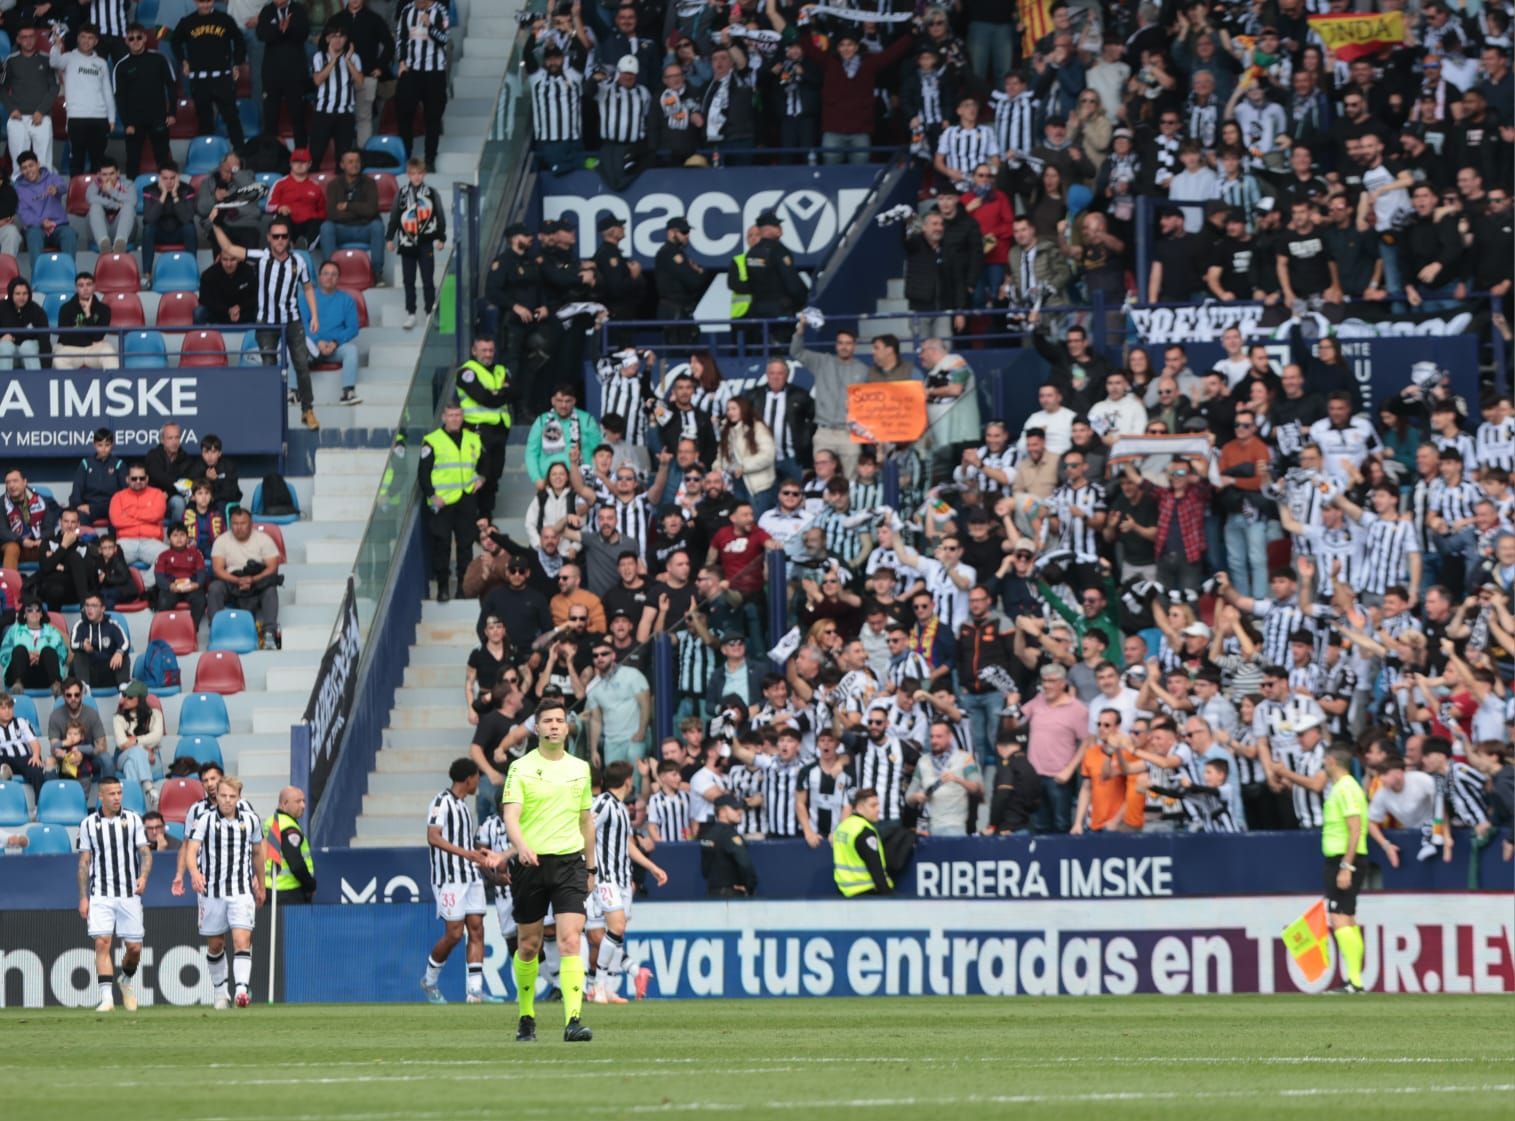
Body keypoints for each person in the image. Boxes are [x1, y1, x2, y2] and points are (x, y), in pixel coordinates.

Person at [500, 698, 596, 1043]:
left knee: (571, 939)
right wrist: (521, 845)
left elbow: (587, 820)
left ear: (567, 727)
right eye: (548, 721)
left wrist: (592, 866)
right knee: (529, 945)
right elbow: (511, 814)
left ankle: (573, 1019)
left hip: (570, 862)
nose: (554, 725)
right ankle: (526, 1015)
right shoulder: (521, 768)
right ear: (537, 728)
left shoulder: (580, 769)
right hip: (532, 864)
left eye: (560, 720)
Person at [211, 216, 321, 431]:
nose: (280, 240)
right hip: (267, 323)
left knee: (301, 366)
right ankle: (272, 412)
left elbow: (308, 287)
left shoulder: (299, 261)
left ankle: (307, 410)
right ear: (269, 238)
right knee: (270, 369)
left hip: (292, 320)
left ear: (289, 238)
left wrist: (314, 316)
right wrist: (216, 224)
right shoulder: (261, 257)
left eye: (284, 236)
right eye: (276, 236)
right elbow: (229, 249)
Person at [587, 761, 667, 1004]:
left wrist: (651, 867)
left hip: (622, 879)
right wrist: (588, 867)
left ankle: (607, 987)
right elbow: (586, 831)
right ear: (628, 781)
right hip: (605, 878)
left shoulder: (620, 808)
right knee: (615, 928)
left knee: (617, 935)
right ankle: (598, 985)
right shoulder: (602, 803)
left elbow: (627, 846)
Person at [183, 774, 265, 1007]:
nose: (228, 800)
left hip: (241, 891)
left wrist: (261, 882)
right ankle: (221, 992)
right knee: (216, 944)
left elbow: (258, 852)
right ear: (216, 796)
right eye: (223, 796)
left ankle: (241, 990)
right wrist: (195, 873)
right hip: (212, 892)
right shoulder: (205, 820)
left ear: (239, 797)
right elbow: (191, 849)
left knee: (242, 939)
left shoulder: (250, 820)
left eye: (232, 796)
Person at [77, 776, 150, 1013]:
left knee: (135, 948)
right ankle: (107, 999)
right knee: (102, 943)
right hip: (101, 893)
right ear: (101, 796)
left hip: (129, 893)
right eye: (112, 794)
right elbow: (84, 862)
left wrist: (144, 876)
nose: (117, 797)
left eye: (119, 793)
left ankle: (126, 980)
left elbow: (146, 854)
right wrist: (84, 896)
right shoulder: (88, 824)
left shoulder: (133, 820)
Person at [420, 758, 491, 1004]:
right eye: (476, 778)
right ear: (469, 778)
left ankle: (475, 991)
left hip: (471, 876)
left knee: (477, 929)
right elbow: (433, 837)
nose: (478, 783)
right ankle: (429, 981)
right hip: (449, 879)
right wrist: (466, 853)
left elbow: (465, 844)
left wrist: (483, 860)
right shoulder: (441, 802)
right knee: (454, 934)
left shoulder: (463, 806)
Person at [1317, 738, 1369, 994]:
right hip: (1345, 858)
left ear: (1331, 760)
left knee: (1339, 919)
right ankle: (1355, 980)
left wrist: (1346, 866)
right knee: (1347, 918)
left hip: (1343, 858)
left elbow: (1355, 828)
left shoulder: (1345, 788)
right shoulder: (1346, 787)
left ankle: (1355, 981)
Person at [420, 403, 482, 603]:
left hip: (466, 498)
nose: (455, 419)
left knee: (466, 545)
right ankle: (443, 588)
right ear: (444, 417)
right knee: (442, 544)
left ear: (462, 417)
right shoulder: (432, 441)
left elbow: (485, 462)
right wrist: (431, 495)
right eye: (451, 415)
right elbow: (423, 472)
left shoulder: (473, 439)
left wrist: (482, 477)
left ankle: (464, 588)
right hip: (443, 500)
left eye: (458, 415)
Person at [172, 0, 248, 149]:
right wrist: (183, 61)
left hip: (222, 77)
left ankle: (241, 154)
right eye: (201, 2)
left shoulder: (224, 19)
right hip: (199, 79)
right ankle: (208, 155)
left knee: (231, 117)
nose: (205, 5)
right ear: (195, 2)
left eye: (208, 1)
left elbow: (239, 41)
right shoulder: (187, 21)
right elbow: (175, 42)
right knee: (204, 120)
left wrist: (236, 63)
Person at [207, 507, 283, 648]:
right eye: (235, 524)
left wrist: (253, 580)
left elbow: (272, 568)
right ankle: (216, 630)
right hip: (232, 581)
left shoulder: (264, 539)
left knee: (271, 589)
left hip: (256, 581)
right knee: (214, 588)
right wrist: (237, 580)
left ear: (251, 523)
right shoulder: (222, 540)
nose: (239, 527)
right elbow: (217, 569)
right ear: (231, 524)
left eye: (243, 523)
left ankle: (269, 634)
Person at [386, 157, 447, 329]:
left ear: (424, 174)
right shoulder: (402, 193)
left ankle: (430, 312)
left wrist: (441, 238)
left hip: (426, 241)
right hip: (406, 242)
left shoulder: (431, 193)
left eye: (420, 173)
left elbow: (439, 216)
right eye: (413, 174)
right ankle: (411, 313)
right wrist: (390, 238)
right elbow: (395, 217)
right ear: (408, 175)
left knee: (428, 279)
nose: (417, 177)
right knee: (408, 280)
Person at [456, 336, 512, 519]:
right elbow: (483, 397)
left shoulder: (500, 370)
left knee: (495, 473)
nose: (488, 354)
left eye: (490, 350)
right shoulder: (467, 372)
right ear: (474, 351)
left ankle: (487, 515)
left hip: (500, 430)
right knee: (480, 473)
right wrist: (500, 393)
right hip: (477, 430)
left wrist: (497, 393)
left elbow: (515, 392)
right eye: (484, 350)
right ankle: (477, 517)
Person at [49, 24, 116, 175]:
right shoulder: (68, 58)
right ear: (78, 39)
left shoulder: (101, 63)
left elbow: (107, 92)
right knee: (77, 160)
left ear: (96, 41)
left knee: (98, 161)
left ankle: (97, 196)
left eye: (90, 38)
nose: (86, 41)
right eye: (83, 37)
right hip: (76, 117)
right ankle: (75, 196)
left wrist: (111, 119)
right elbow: (54, 62)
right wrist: (56, 45)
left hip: (100, 118)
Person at [112, 24, 176, 178]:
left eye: (139, 37)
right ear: (126, 41)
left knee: (163, 159)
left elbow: (172, 86)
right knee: (132, 161)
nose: (135, 41)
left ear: (145, 38)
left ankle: (167, 192)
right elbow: (119, 98)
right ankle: (131, 196)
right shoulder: (121, 66)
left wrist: (172, 113)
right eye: (131, 38)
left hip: (159, 118)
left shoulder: (159, 59)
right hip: (134, 123)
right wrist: (127, 123)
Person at [393, 0, 450, 172]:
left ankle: (430, 158)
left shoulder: (441, 12)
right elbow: (401, 38)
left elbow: (445, 40)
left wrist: (430, 26)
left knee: (432, 117)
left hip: (434, 73)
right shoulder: (406, 11)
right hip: (411, 71)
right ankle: (406, 155)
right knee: (404, 112)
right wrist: (401, 60)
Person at [906, 720, 983, 836]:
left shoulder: (965, 758)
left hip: (956, 826)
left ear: (950, 737)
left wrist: (958, 780)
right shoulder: (923, 762)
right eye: (931, 737)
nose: (934, 741)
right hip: (930, 827)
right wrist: (916, 797)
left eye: (939, 737)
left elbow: (977, 788)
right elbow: (908, 797)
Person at [319, 149, 385, 280]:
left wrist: (348, 206)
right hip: (342, 230)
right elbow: (332, 213)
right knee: (326, 227)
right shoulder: (333, 185)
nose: (354, 165)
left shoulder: (370, 183)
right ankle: (329, 273)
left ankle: (377, 273)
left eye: (357, 161)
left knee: (378, 226)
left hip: (364, 229)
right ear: (342, 165)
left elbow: (372, 210)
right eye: (350, 162)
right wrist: (360, 212)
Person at [307, 24, 364, 173]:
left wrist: (348, 61)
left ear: (346, 39)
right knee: (315, 155)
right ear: (327, 39)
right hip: (323, 112)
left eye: (341, 36)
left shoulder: (354, 57)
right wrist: (332, 60)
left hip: (345, 113)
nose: (337, 40)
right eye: (333, 36)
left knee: (343, 158)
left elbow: (360, 81)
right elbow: (317, 80)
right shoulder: (319, 57)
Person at [3, 27, 59, 170]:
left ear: (36, 38)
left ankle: (45, 192)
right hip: (17, 118)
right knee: (19, 165)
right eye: (24, 37)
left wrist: (41, 111)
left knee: (44, 163)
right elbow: (2, 87)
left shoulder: (47, 59)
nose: (28, 41)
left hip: (41, 117)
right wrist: (11, 109)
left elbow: (54, 88)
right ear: (18, 40)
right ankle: (20, 192)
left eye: (31, 37)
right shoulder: (10, 61)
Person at [308, 261, 363, 406]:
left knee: (351, 350)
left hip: (335, 348)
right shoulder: (307, 297)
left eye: (334, 274)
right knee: (292, 350)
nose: (329, 277)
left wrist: (334, 342)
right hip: (311, 348)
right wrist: (317, 341)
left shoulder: (347, 300)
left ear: (338, 278)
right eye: (326, 274)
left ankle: (348, 393)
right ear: (319, 277)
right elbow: (301, 325)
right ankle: (292, 393)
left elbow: (353, 328)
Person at [258, 0, 312, 146]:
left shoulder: (298, 9)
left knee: (298, 117)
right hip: (272, 75)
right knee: (270, 118)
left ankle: (301, 155)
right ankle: (270, 157)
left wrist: (288, 29)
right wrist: (279, 29)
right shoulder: (267, 11)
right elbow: (261, 34)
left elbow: (304, 33)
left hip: (295, 74)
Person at [140, 163, 199, 284]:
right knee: (148, 229)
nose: (169, 182)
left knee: (190, 228)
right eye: (165, 178)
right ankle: (147, 275)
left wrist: (175, 195)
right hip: (159, 233)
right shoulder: (149, 190)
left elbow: (187, 218)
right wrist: (163, 195)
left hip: (179, 232)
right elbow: (149, 219)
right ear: (159, 178)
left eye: (172, 178)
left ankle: (191, 270)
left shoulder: (187, 190)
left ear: (177, 177)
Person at [14, 149, 75, 261]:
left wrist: (56, 189)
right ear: (21, 171)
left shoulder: (52, 177)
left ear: (38, 164)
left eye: (31, 165)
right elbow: (24, 213)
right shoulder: (19, 189)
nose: (28, 170)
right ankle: (37, 276)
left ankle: (70, 274)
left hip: (58, 226)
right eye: (24, 168)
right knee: (33, 235)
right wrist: (41, 222)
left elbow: (63, 187)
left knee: (69, 233)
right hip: (36, 228)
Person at [831, 787, 892, 896]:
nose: (878, 809)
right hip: (868, 893)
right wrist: (888, 898)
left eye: (878, 805)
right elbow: (876, 869)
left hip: (846, 893)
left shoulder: (842, 827)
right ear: (859, 808)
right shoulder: (864, 831)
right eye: (873, 805)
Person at [263, 785, 316, 905]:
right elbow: (296, 864)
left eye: (304, 801)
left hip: (270, 888)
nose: (303, 805)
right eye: (298, 802)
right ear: (284, 804)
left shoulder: (271, 821)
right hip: (288, 892)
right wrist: (310, 884)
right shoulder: (288, 827)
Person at [1, 600, 68, 694]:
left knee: (48, 650)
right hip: (18, 674)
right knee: (20, 649)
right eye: (30, 610)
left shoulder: (53, 632)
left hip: (45, 675)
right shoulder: (14, 630)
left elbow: (63, 655)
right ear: (24, 614)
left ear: (41, 614)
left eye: (37, 610)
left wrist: (41, 657)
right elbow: (4, 654)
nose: (34, 613)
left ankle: (56, 685)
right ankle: (18, 684)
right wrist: (26, 657)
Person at [54, 272, 116, 370]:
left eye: (89, 284)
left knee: (109, 353)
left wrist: (88, 314)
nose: (85, 288)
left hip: (93, 350)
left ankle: (112, 384)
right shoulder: (65, 308)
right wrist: (89, 340)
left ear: (94, 286)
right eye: (81, 285)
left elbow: (98, 336)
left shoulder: (104, 309)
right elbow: (65, 337)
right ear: (76, 288)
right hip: (72, 349)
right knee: (59, 358)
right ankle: (72, 384)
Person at [700, 793, 758, 896]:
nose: (740, 812)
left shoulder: (707, 834)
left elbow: (705, 870)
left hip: (711, 892)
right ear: (722, 812)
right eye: (735, 809)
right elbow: (745, 864)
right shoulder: (729, 835)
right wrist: (750, 885)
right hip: (731, 893)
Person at [69, 594, 130, 691]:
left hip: (108, 671)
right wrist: (83, 645)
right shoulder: (80, 625)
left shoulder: (112, 625)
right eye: (87, 605)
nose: (89, 609)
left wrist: (119, 652)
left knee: (123, 655)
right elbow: (73, 644)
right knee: (79, 654)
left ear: (102, 608)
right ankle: (84, 688)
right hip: (89, 672)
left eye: (93, 606)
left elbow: (125, 643)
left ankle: (124, 689)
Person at [0, 690, 48, 793]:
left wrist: (35, 756)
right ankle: (6, 770)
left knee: (36, 770)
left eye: (10, 707)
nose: (7, 711)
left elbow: (34, 742)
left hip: (24, 759)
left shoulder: (21, 722)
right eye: (3, 708)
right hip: (4, 759)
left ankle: (38, 805)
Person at [84, 158, 135, 254]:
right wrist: (115, 205)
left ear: (118, 173)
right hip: (100, 230)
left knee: (128, 207)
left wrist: (111, 191)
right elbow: (90, 199)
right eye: (104, 175)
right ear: (99, 175)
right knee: (95, 206)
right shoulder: (94, 186)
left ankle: (120, 243)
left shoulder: (128, 184)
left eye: (111, 174)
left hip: (122, 229)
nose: (108, 178)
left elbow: (133, 201)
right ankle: (104, 244)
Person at [0, 277, 51, 370]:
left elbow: (45, 340)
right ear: (11, 294)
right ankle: (3, 383)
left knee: (27, 346)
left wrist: (46, 369)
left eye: (25, 293)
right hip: (10, 354)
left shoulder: (37, 311)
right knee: (4, 345)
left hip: (30, 354)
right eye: (17, 294)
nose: (21, 297)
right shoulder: (1, 308)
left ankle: (38, 381)